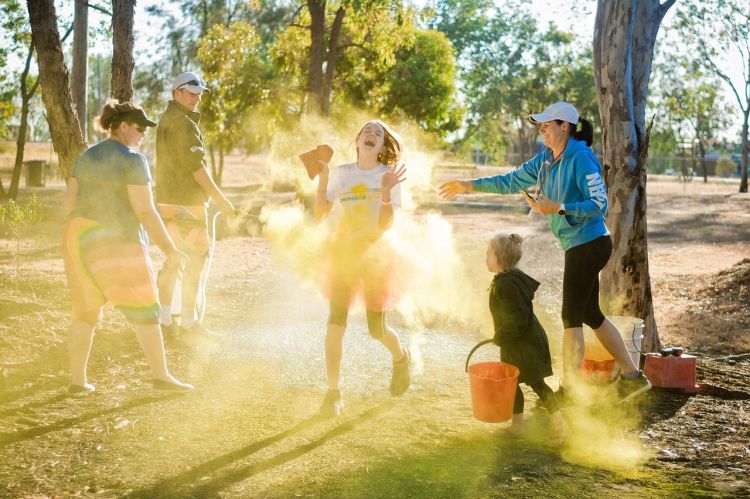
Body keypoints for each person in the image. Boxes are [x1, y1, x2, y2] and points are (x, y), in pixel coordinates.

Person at [439, 101, 651, 402]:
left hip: (590, 244)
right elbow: (510, 181)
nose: (542, 130)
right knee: (591, 314)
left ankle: (569, 390)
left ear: (565, 127)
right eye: (541, 125)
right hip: (578, 245)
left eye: (547, 125)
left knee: (570, 317)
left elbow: (600, 205)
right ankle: (633, 377)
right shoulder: (545, 161)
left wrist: (559, 208)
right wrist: (468, 185)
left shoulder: (582, 159)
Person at [62, 101, 193, 393]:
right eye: (140, 127)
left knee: (85, 310)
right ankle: (161, 376)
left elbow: (69, 203)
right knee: (145, 307)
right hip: (117, 239)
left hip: (78, 237)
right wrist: (171, 249)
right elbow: (146, 212)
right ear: (123, 127)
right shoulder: (133, 160)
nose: (144, 134)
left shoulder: (85, 157)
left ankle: (78, 381)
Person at [313, 120, 410, 417]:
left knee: (375, 329)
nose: (371, 134)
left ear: (382, 147)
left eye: (378, 134)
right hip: (343, 254)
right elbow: (320, 214)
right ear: (357, 140)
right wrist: (323, 177)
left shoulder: (387, 176)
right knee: (335, 323)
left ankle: (400, 357)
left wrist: (384, 192)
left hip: (374, 257)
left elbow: (384, 226)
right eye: (367, 131)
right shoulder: (341, 173)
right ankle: (333, 393)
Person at [154, 71, 236, 333]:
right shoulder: (182, 122)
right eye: (192, 93)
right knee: (195, 260)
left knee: (174, 258)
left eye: (199, 94)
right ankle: (188, 322)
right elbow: (196, 168)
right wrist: (221, 200)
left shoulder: (168, 118)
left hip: (167, 202)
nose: (197, 98)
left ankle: (165, 319)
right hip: (186, 204)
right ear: (177, 92)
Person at [485, 233, 567, 445]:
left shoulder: (507, 284)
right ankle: (517, 427)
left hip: (526, 344)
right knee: (512, 384)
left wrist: (501, 336)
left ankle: (560, 427)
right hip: (516, 343)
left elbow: (518, 318)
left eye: (488, 253)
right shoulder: (505, 280)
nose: (485, 258)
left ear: (499, 257)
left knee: (537, 384)